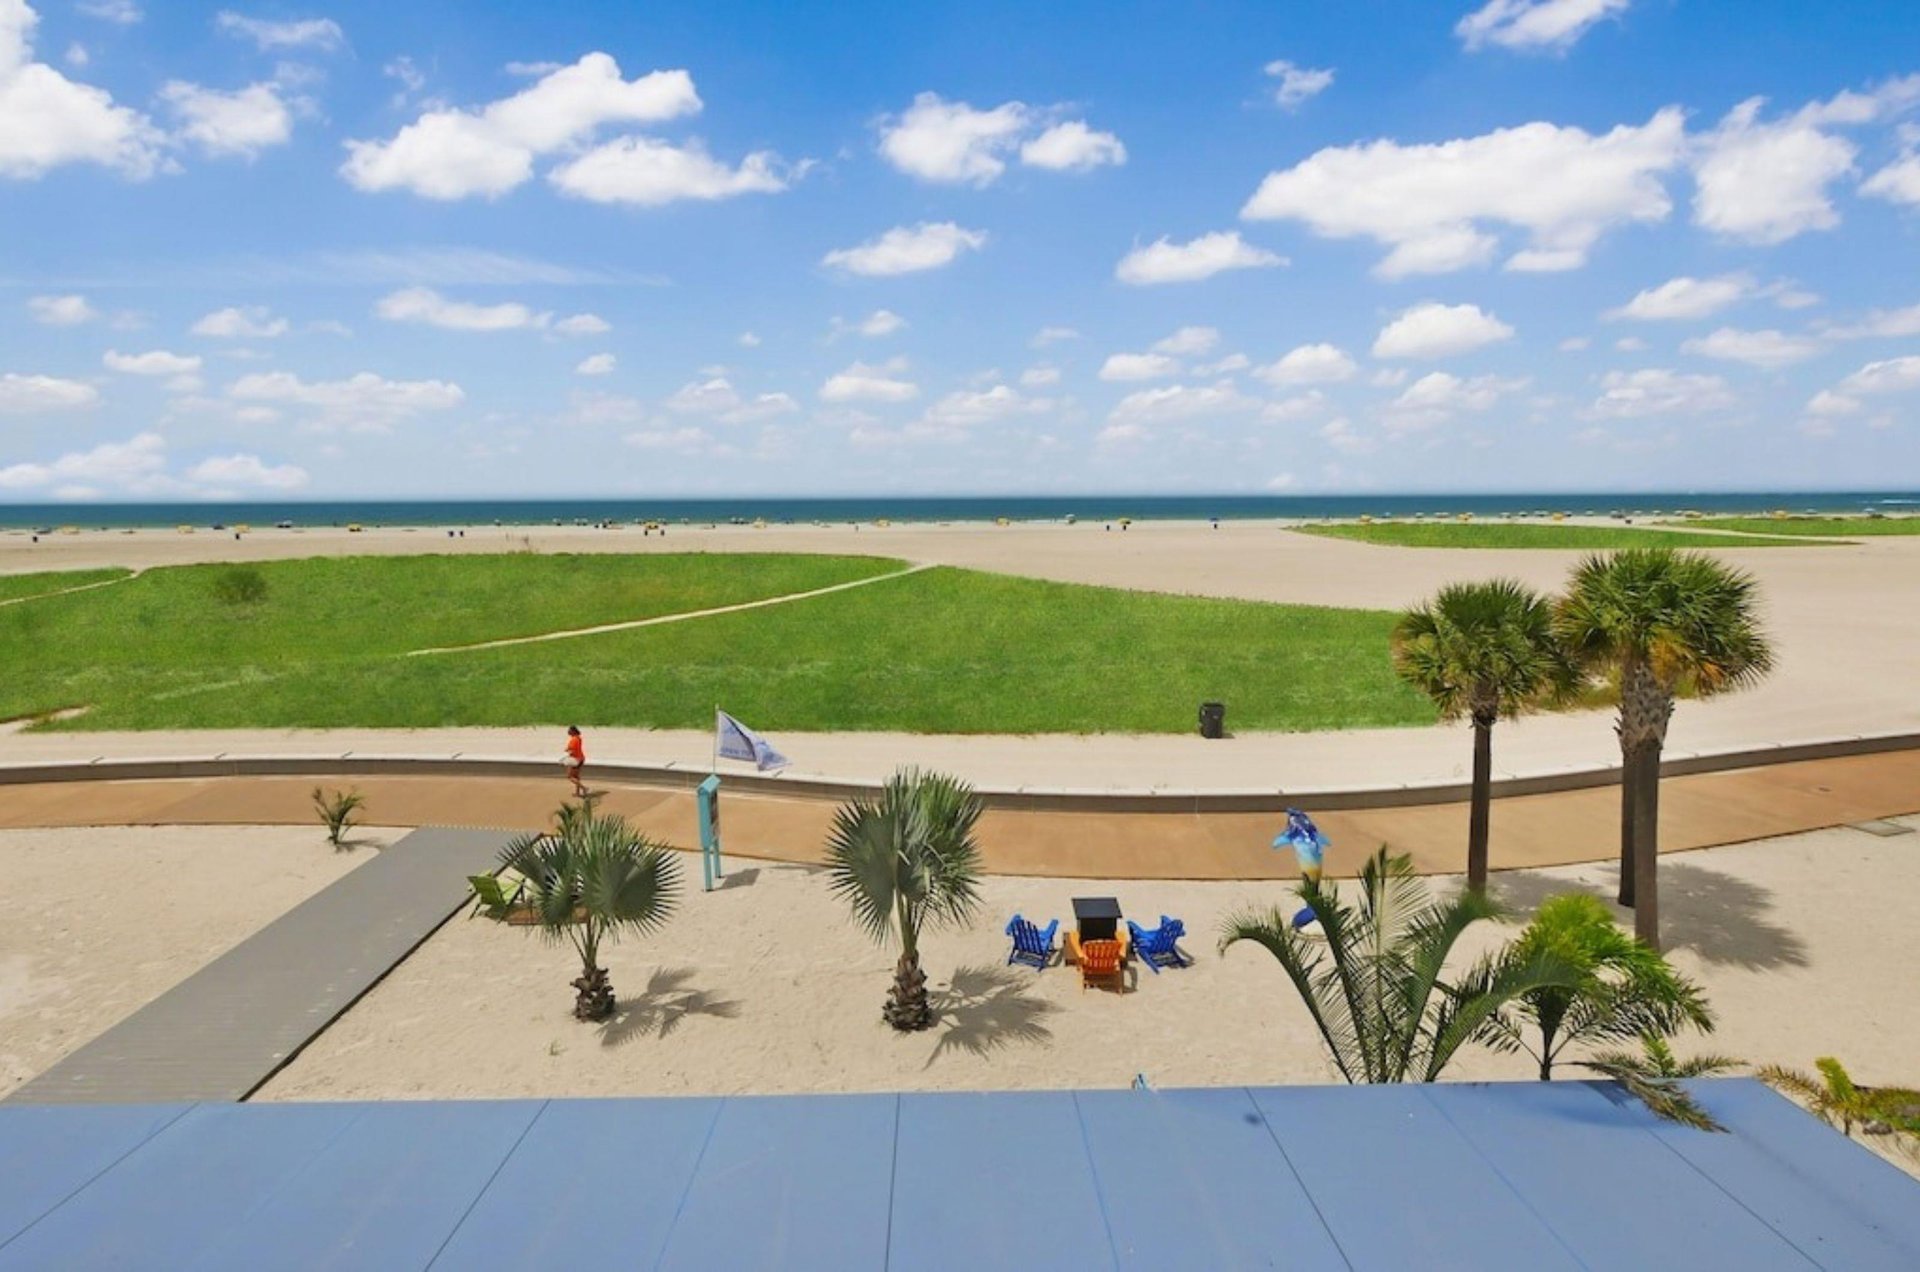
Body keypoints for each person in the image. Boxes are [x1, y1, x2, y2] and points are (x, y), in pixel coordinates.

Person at [564, 726, 586, 798]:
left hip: (575, 759)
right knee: (576, 777)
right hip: (581, 759)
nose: (568, 732)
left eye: (569, 731)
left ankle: (584, 788)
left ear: (573, 731)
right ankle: (577, 793)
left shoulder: (573, 740)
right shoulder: (578, 738)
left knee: (570, 776)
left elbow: (572, 750)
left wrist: (567, 750)